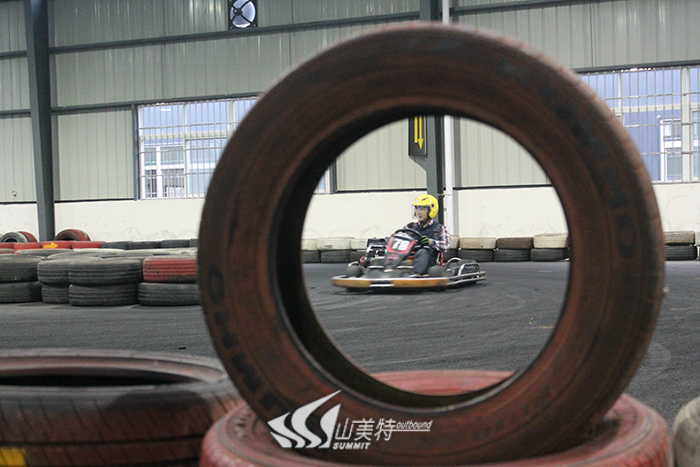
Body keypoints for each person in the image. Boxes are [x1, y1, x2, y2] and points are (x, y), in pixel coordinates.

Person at [402, 194, 451, 275]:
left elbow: (446, 246)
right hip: (409, 260)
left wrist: (431, 242)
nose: (419, 212)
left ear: (431, 210)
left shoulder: (439, 228)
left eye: (422, 209)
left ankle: (415, 274)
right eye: (417, 208)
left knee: (423, 252)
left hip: (429, 264)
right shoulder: (409, 227)